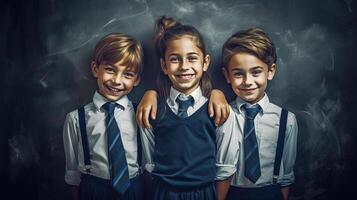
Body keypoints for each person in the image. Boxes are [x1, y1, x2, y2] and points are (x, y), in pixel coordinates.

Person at [139, 16, 239, 200]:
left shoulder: (219, 109)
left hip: (205, 194)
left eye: (192, 58)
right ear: (164, 65)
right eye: (175, 59)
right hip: (163, 194)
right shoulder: (152, 110)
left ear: (205, 62)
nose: (184, 67)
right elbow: (150, 162)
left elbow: (226, 167)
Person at [63, 33, 144, 200]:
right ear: (95, 69)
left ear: (136, 80)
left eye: (127, 74)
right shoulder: (75, 119)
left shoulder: (142, 113)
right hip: (94, 189)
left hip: (134, 189)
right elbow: (72, 173)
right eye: (110, 70)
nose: (116, 81)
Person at [222, 28, 298, 200]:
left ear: (270, 71)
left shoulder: (286, 120)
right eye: (238, 74)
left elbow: (286, 175)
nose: (248, 82)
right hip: (231, 193)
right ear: (227, 76)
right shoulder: (222, 114)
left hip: (269, 193)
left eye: (256, 72)